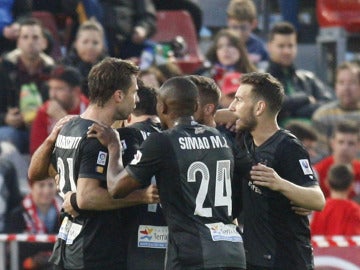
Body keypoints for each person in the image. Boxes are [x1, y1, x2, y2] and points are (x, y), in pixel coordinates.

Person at [88, 76, 247, 270]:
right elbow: (249, 175)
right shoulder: (219, 137)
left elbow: (116, 187)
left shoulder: (162, 141)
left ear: (161, 108)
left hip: (193, 254)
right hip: (233, 252)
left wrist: (114, 146)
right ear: (196, 105)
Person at [27, 57, 158, 269]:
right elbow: (88, 197)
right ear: (118, 95)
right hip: (93, 248)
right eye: (134, 93)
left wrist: (52, 140)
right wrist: (141, 196)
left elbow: (36, 172)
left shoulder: (69, 125)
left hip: (68, 245)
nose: (136, 101)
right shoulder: (97, 135)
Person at [228, 72, 325, 269]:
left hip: (287, 260)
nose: (232, 106)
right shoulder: (246, 140)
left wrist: (280, 184)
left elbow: (317, 200)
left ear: (259, 108)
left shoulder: (288, 147)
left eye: (238, 100)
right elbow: (221, 115)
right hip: (255, 260)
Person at [0, 17, 55, 153]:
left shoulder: (55, 71)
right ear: (18, 42)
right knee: (5, 135)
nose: (30, 42)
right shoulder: (4, 69)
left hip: (46, 131)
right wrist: (5, 118)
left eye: (35, 37)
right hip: (15, 131)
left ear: (44, 43)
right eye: (25, 37)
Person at [266, 21, 334, 126]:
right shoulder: (261, 80)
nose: (287, 51)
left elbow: (329, 104)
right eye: (281, 46)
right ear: (269, 47)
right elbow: (272, 104)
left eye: (290, 46)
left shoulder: (308, 78)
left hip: (312, 138)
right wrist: (305, 98)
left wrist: (295, 111)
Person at [30, 65, 89, 155]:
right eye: (51, 88)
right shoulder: (44, 112)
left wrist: (64, 119)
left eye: (59, 89)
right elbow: (36, 153)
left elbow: (89, 150)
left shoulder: (89, 109)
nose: (53, 94)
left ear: (76, 91)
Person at [6, 177, 62, 270]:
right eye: (41, 185)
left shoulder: (65, 212)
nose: (46, 190)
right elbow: (16, 248)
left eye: (51, 185)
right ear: (31, 186)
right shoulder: (18, 214)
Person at [312, 61, 360, 157]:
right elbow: (320, 154)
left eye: (352, 82)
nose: (346, 88)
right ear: (335, 87)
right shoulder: (322, 116)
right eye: (341, 82)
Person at [200, 28, 256, 108]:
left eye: (230, 45)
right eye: (220, 46)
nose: (225, 50)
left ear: (240, 49)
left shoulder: (254, 77)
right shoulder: (205, 77)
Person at [314, 121, 360, 200]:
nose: (344, 148)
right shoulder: (317, 172)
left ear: (358, 146)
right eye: (340, 142)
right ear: (332, 143)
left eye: (351, 143)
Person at [62, 19, 108, 97]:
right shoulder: (64, 66)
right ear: (76, 44)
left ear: (102, 46)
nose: (90, 47)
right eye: (85, 42)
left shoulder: (110, 68)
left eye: (95, 43)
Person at [311, 164, 360, 235]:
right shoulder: (355, 210)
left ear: (326, 183)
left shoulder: (320, 208)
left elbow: (312, 236)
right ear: (351, 185)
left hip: (322, 246)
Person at [226, 0, 269, 67]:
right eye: (234, 27)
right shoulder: (222, 45)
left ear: (254, 24)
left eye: (243, 28)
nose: (238, 33)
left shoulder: (259, 48)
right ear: (228, 22)